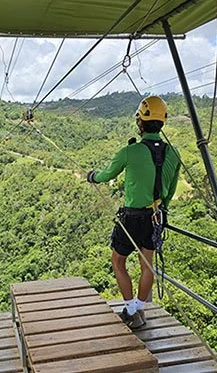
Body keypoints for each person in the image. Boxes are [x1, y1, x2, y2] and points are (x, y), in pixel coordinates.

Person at [86, 96, 181, 329]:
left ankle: (130, 309)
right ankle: (139, 308)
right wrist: (162, 209)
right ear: (162, 121)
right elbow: (170, 190)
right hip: (156, 216)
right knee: (147, 264)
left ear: (140, 122)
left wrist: (92, 176)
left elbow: (106, 175)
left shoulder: (130, 151)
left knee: (118, 261)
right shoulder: (174, 153)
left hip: (132, 218)